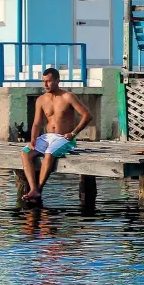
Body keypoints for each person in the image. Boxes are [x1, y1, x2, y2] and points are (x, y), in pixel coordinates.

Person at [20, 68, 93, 201]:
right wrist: (33, 140)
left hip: (64, 138)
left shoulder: (68, 96)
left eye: (48, 81)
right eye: (43, 81)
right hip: (47, 136)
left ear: (57, 81)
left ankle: (39, 189)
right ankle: (33, 188)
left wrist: (73, 133)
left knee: (49, 153)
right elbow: (36, 123)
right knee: (25, 153)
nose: (45, 85)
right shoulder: (41, 100)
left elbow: (87, 115)